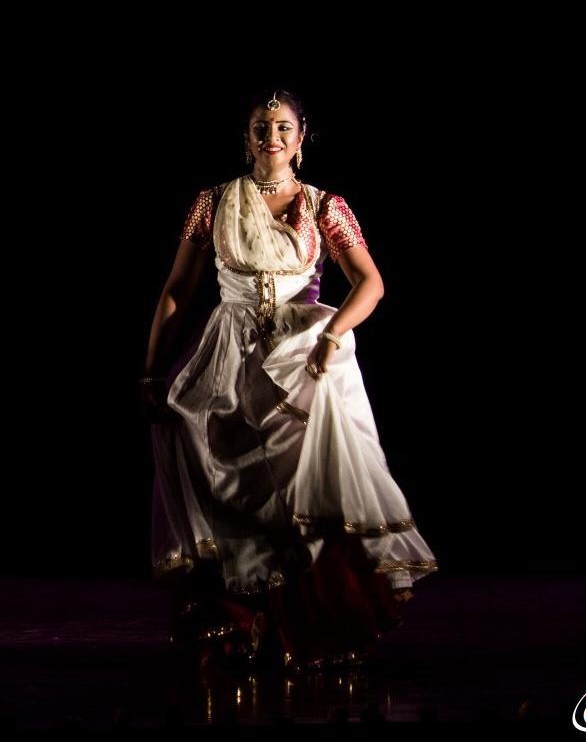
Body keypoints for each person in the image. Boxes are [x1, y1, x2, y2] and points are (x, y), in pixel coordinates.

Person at [141, 88, 438, 672]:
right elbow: (177, 289)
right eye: (261, 125)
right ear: (246, 137)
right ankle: (242, 619)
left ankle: (310, 623)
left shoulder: (325, 205)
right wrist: (152, 367)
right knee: (219, 465)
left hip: (300, 351)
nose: (271, 136)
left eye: (282, 127)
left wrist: (333, 335)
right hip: (229, 350)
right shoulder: (213, 202)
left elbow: (371, 283)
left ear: (301, 139)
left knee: (306, 485)